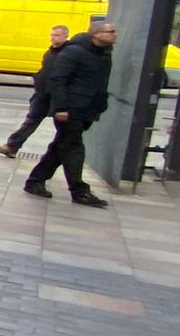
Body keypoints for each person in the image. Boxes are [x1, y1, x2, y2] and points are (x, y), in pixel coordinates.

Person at [25, 18, 116, 208]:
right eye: (110, 32)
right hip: (69, 110)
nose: (115, 35)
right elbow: (57, 80)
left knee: (61, 147)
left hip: (87, 109)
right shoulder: (74, 52)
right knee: (74, 148)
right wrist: (60, 108)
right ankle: (79, 191)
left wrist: (99, 105)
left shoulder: (104, 52)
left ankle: (35, 181)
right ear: (96, 34)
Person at [0, 25, 71, 159]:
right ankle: (11, 147)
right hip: (42, 95)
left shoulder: (68, 54)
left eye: (57, 35)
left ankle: (63, 154)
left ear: (65, 36)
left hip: (58, 97)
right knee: (31, 121)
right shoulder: (50, 52)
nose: (53, 37)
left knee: (64, 128)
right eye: (52, 35)